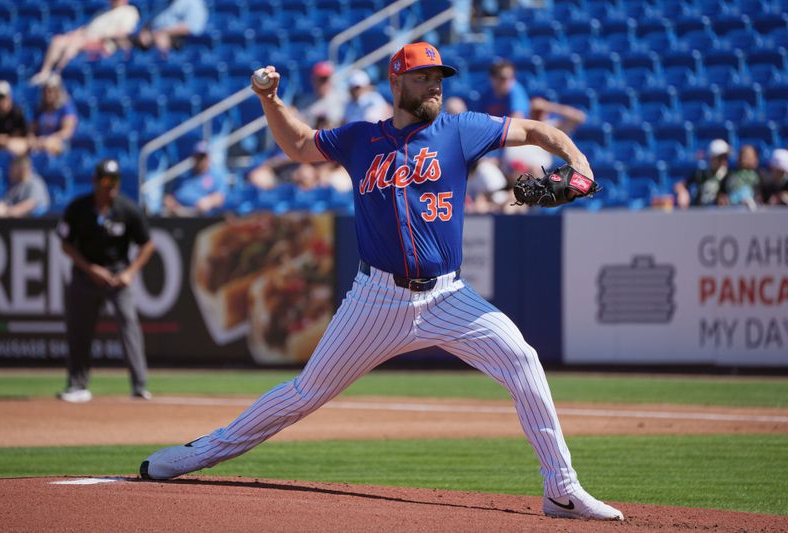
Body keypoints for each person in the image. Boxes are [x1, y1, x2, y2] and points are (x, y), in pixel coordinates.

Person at [140, 41, 624, 522]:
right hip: (377, 298)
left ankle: (561, 490)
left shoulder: (460, 130)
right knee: (305, 394)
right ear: (396, 83)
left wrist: (579, 163)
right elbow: (299, 145)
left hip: (448, 296)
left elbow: (539, 130)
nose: (434, 84)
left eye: (438, 77)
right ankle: (198, 453)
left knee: (522, 360)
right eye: (422, 76)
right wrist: (271, 100)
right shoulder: (360, 138)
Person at [56, 158, 155, 403]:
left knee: (129, 324)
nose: (110, 186)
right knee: (79, 329)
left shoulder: (127, 209)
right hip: (86, 275)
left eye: (115, 181)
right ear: (95, 181)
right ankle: (77, 385)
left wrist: (130, 272)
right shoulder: (78, 208)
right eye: (105, 180)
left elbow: (148, 244)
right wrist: (90, 269)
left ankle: (139, 385)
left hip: (117, 275)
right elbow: (66, 243)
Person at [30, 0, 140, 85]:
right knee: (58, 40)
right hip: (86, 38)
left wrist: (101, 36)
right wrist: (74, 34)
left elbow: (126, 33)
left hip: (105, 44)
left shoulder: (129, 11)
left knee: (74, 45)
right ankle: (45, 72)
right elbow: (88, 28)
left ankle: (57, 74)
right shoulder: (103, 12)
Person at [162, 141, 228, 216]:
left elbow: (220, 198)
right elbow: (170, 196)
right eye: (198, 157)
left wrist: (207, 202)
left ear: (209, 158)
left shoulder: (216, 174)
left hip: (204, 217)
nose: (200, 160)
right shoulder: (184, 176)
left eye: (203, 157)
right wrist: (173, 205)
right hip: (181, 216)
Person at [129, 0, 208, 53]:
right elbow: (151, 21)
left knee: (161, 40)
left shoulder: (193, 2)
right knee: (126, 42)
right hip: (153, 37)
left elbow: (192, 27)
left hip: (179, 43)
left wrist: (162, 33)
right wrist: (144, 31)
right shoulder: (161, 2)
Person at [674, 138, 731, 209]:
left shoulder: (728, 175)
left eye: (726, 158)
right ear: (712, 158)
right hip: (700, 211)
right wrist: (682, 191)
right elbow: (681, 185)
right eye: (720, 158)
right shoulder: (701, 173)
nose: (723, 161)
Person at [30, 75, 78, 156]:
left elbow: (67, 131)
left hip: (59, 142)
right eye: (45, 91)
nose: (47, 94)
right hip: (41, 141)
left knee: (50, 147)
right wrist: (33, 140)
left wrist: (49, 139)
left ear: (57, 92)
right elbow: (32, 129)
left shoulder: (66, 107)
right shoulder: (40, 109)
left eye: (50, 91)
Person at [293, 61, 346, 128]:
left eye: (326, 79)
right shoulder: (304, 102)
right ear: (314, 80)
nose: (323, 83)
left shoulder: (343, 100)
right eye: (320, 79)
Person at [0, 81, 30, 156]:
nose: (0, 101)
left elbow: (27, 137)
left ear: (9, 97)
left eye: (2, 97)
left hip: (14, 144)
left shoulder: (17, 113)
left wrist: (7, 140)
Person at [719, 144, 765, 209]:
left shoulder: (762, 176)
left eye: (747, 156)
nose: (743, 158)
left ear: (756, 159)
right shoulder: (729, 175)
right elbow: (722, 194)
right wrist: (722, 199)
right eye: (741, 155)